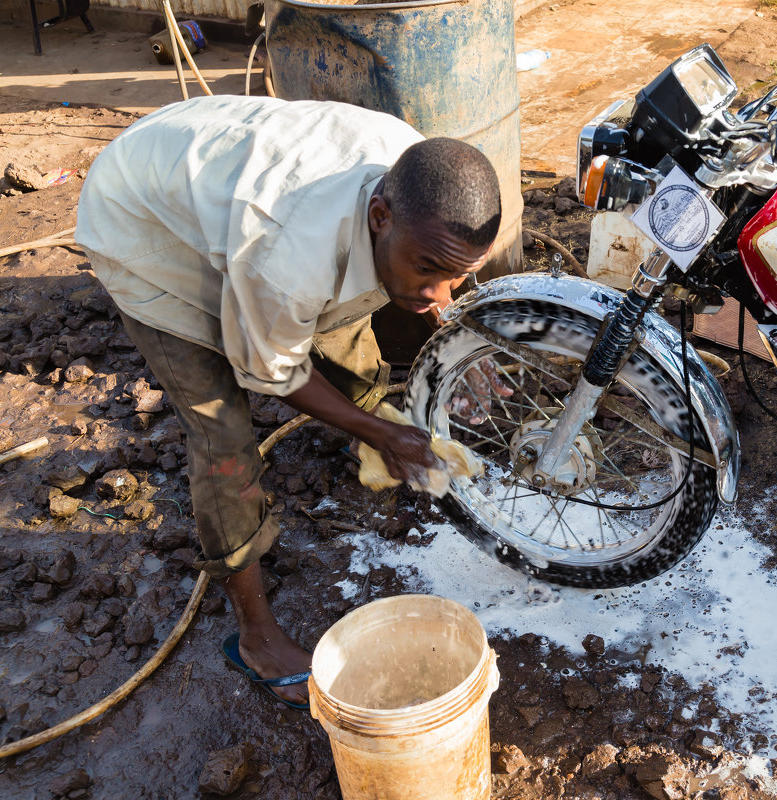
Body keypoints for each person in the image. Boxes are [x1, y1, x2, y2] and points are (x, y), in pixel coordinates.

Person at [75, 94, 502, 709]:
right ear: (379, 214)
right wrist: (382, 434)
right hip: (142, 227)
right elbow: (271, 372)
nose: (440, 289)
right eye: (428, 267)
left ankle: (374, 427)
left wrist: (452, 318)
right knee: (221, 436)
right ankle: (257, 639)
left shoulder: (413, 182)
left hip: (207, 175)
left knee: (344, 319)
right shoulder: (284, 258)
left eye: (457, 274)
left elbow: (402, 276)